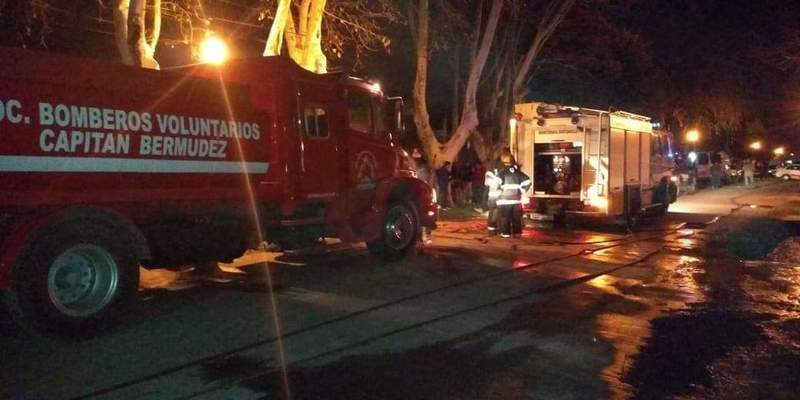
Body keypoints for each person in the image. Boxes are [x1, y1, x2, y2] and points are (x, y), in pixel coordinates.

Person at [496, 154, 531, 238]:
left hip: (504, 200)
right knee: (516, 218)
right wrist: (522, 191)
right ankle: (517, 234)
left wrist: (498, 191)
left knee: (505, 218)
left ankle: (506, 234)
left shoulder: (502, 172)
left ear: (503, 163)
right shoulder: (518, 173)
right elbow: (528, 182)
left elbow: (496, 183)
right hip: (516, 200)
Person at [485, 148, 511, 235]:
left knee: (493, 213)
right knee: (499, 213)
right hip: (500, 195)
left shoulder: (492, 167)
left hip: (493, 195)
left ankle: (492, 231)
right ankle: (498, 230)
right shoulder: (505, 167)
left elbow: (487, 182)